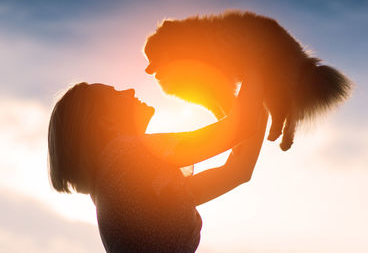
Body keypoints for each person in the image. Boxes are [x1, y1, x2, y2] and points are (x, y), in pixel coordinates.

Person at [48, 78, 267, 252]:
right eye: (116, 93)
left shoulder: (122, 185)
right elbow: (239, 130)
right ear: (106, 121)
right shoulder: (125, 154)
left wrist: (263, 86)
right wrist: (257, 62)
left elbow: (238, 171)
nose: (130, 91)